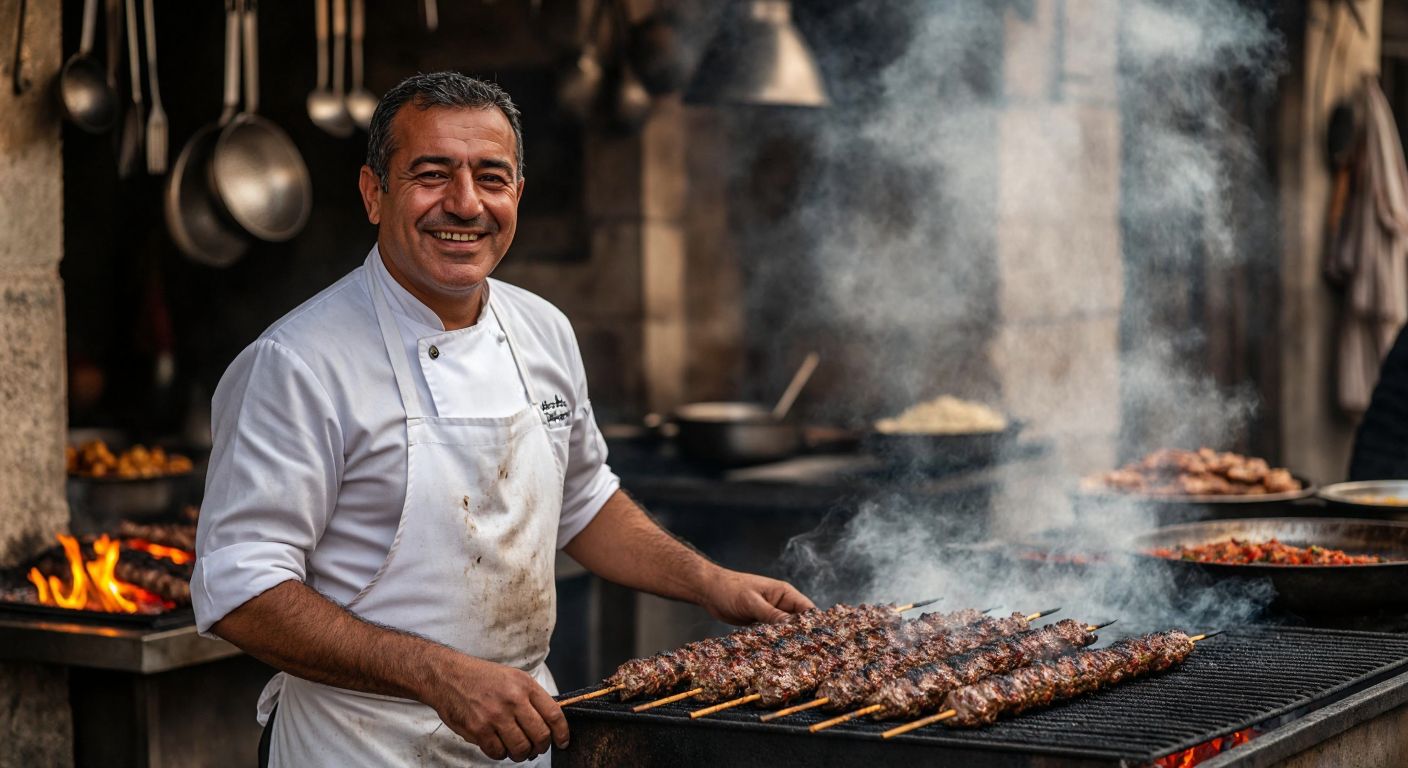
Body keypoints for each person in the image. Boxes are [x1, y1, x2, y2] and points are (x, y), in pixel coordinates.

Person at [192, 72, 813, 767]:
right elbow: (241, 588)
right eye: (431, 174)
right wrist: (440, 674)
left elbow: (583, 499)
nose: (465, 203)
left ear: (516, 193)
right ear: (374, 193)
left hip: (517, 739)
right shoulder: (296, 363)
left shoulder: (543, 330)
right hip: (357, 745)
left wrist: (711, 583)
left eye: (491, 177)